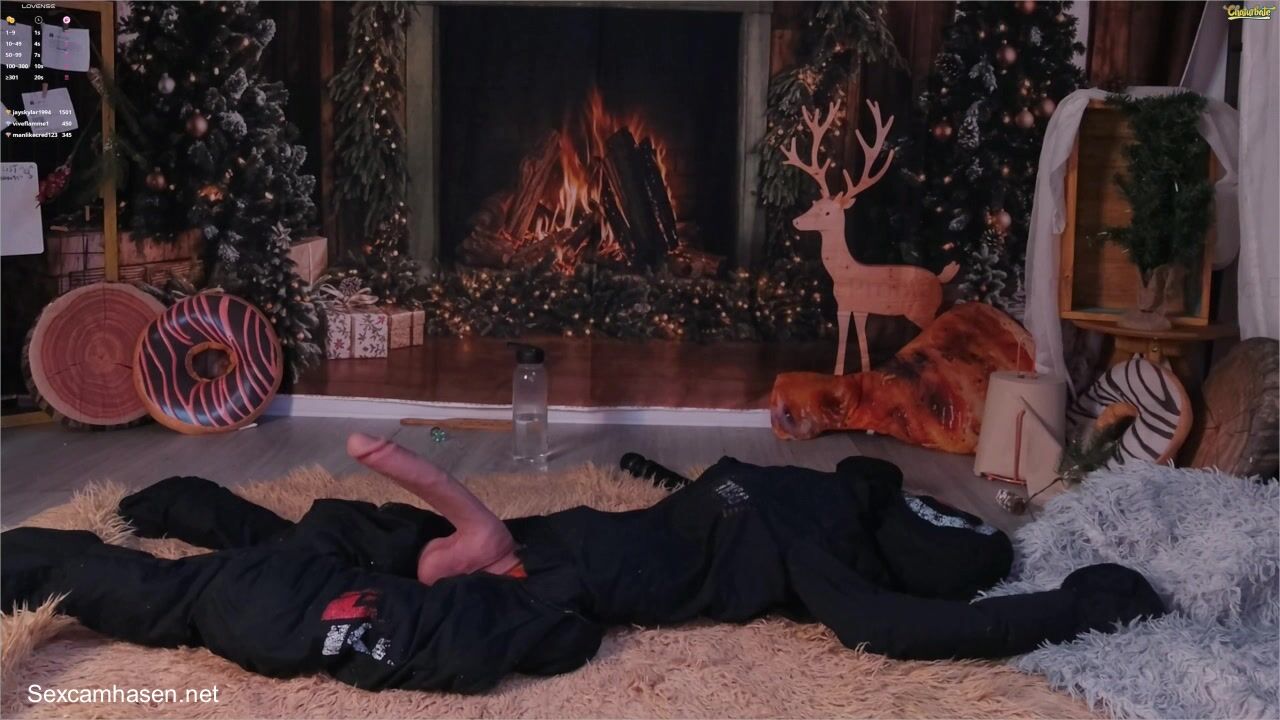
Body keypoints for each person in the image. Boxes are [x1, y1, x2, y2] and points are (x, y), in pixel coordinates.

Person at [1, 434, 1166, 693]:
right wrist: (1069, 604)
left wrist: (1065, 602)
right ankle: (192, 536)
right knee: (309, 580)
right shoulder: (815, 527)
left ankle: (184, 532)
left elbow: (888, 621)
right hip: (542, 566)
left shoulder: (794, 508)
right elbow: (891, 623)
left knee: (317, 589)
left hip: (544, 572)